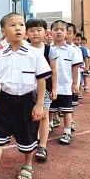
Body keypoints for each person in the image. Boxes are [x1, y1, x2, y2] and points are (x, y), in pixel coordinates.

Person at [0, 13, 51, 179]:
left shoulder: (35, 54)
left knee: (27, 137)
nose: (18, 28)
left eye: (21, 25)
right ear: (3, 31)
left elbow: (41, 80)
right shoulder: (0, 55)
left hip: (27, 102)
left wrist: (40, 104)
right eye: (12, 25)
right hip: (5, 101)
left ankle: (27, 165)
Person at [25, 18, 58, 162]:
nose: (35, 33)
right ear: (27, 33)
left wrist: (55, 88)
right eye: (31, 30)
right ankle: (31, 141)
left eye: (39, 30)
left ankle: (42, 146)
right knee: (30, 116)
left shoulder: (49, 50)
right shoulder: (24, 48)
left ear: (45, 32)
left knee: (44, 116)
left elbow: (54, 70)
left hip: (45, 88)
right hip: (27, 88)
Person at [48, 20, 82, 145]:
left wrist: (75, 84)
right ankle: (49, 125)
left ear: (66, 33)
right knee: (50, 109)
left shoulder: (72, 50)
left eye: (62, 30)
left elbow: (75, 68)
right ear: (51, 32)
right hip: (51, 86)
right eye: (55, 29)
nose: (58, 32)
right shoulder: (47, 49)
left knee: (67, 110)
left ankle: (67, 132)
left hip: (66, 86)